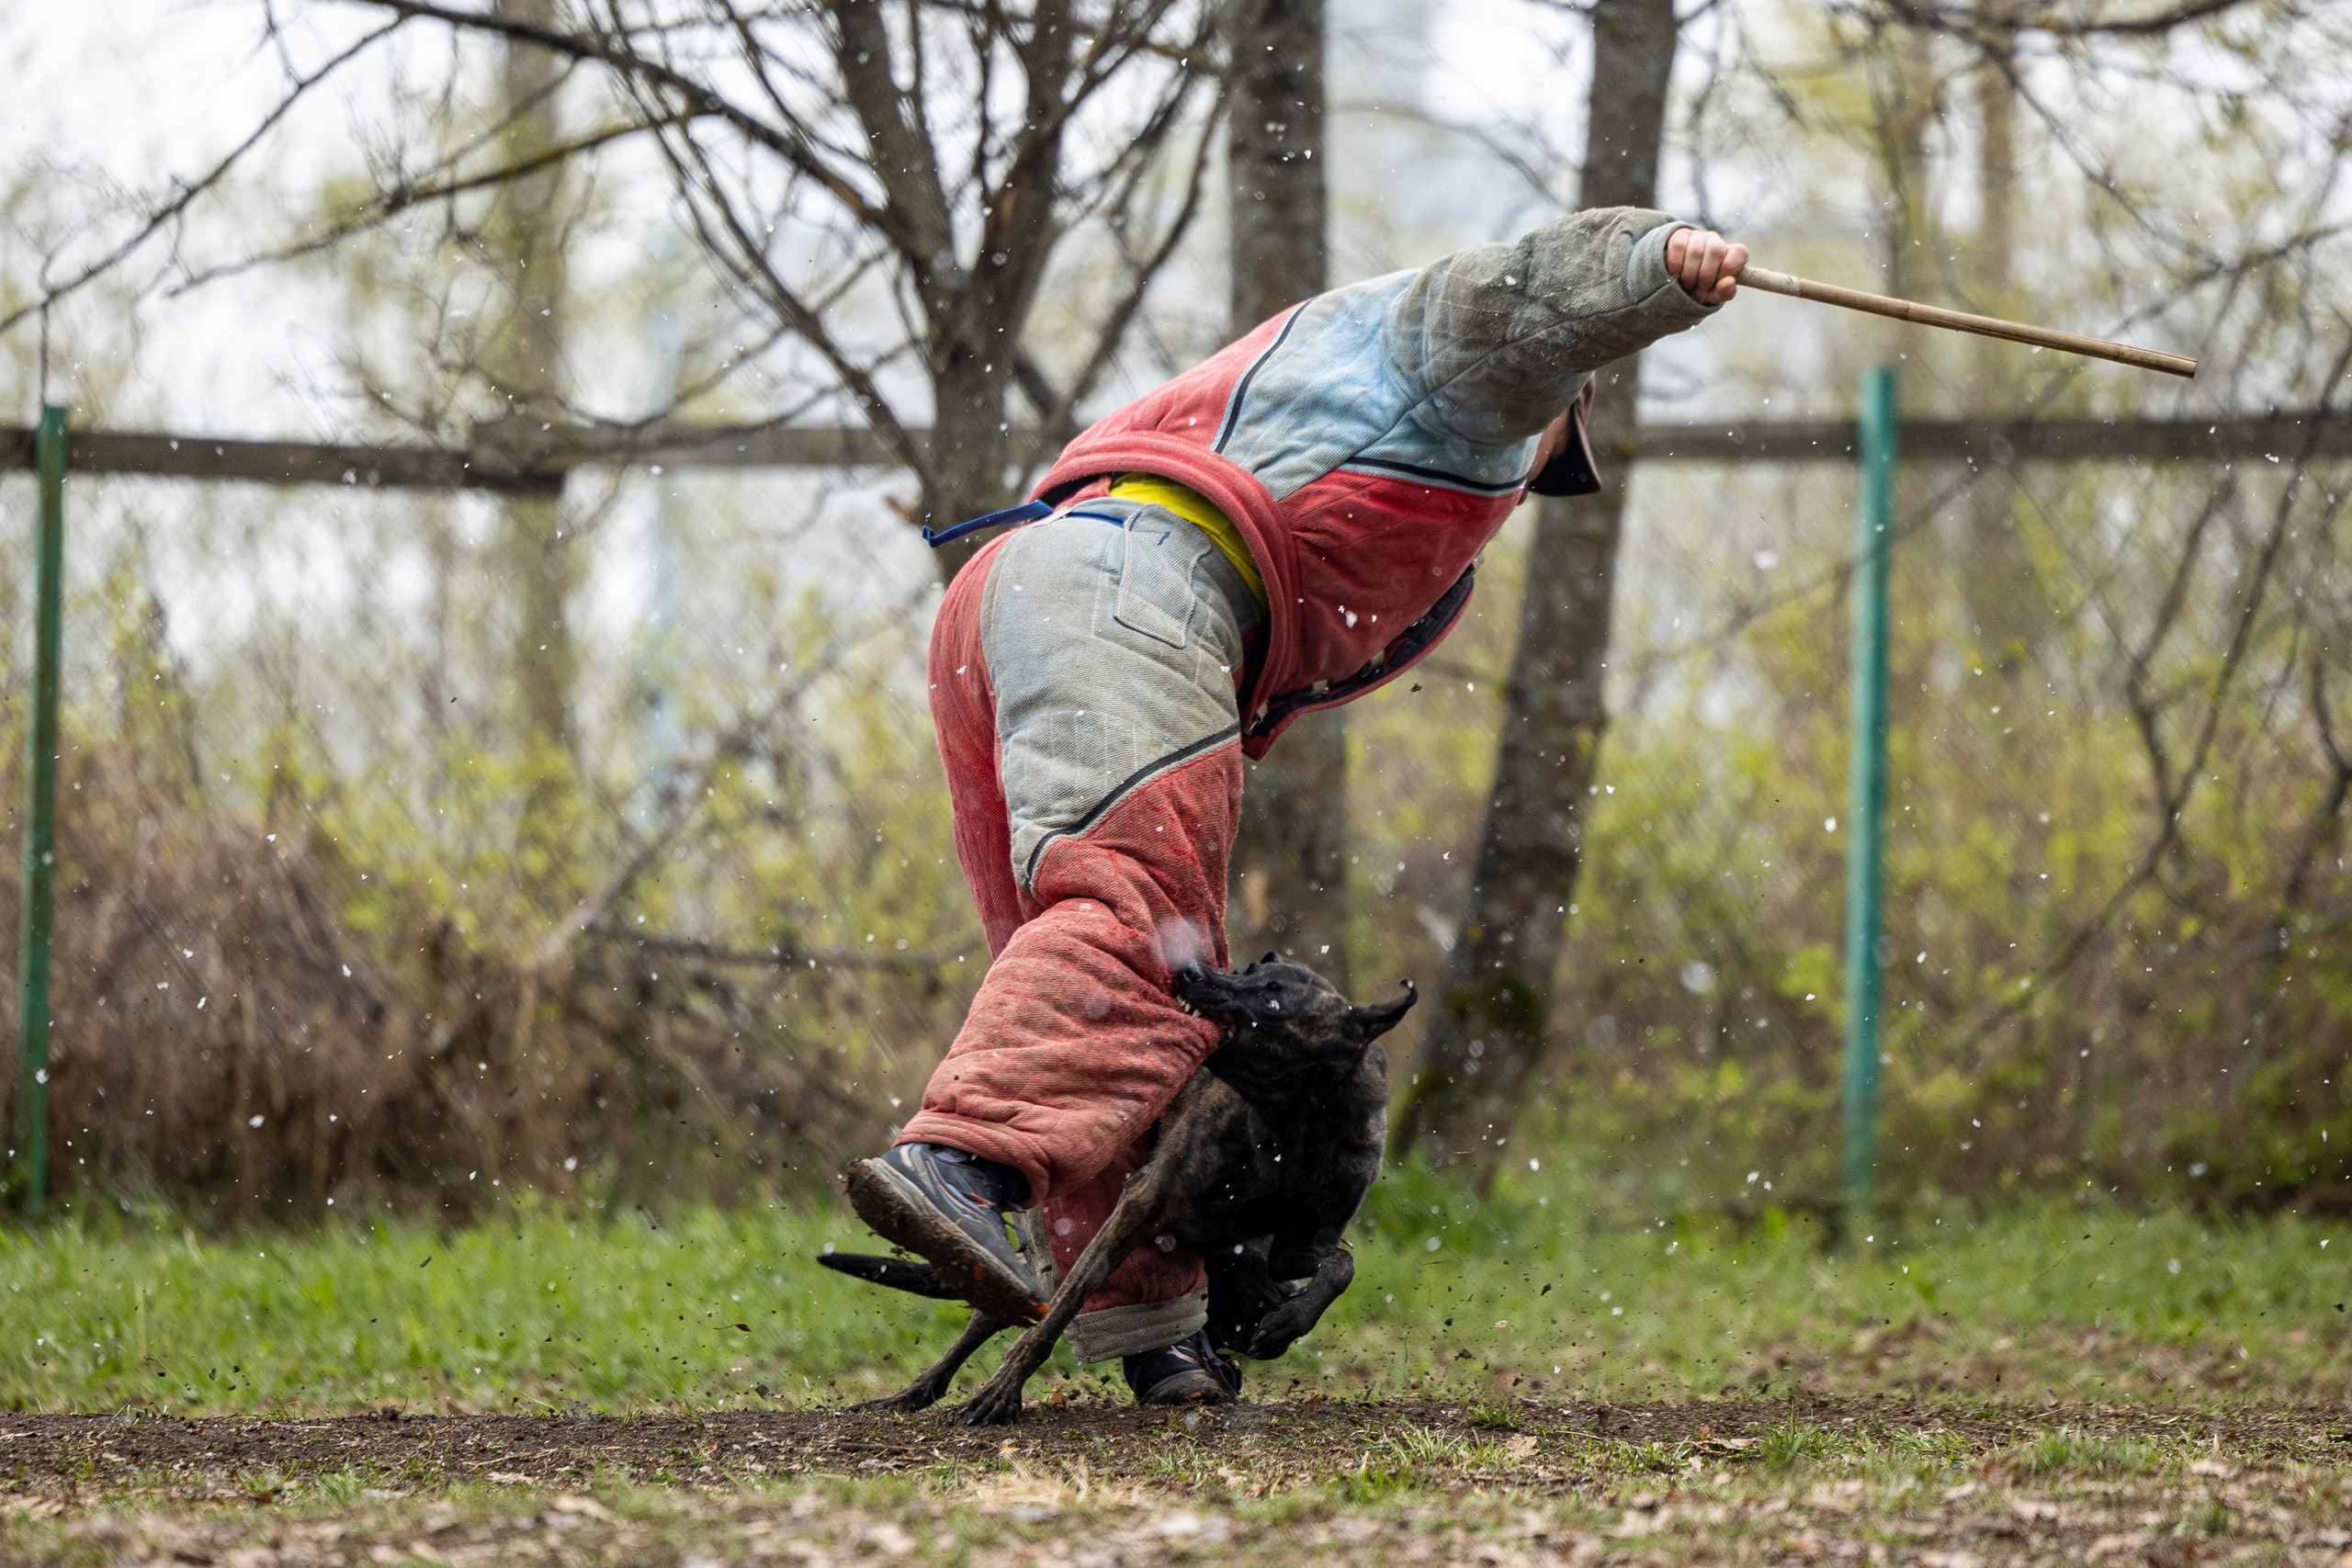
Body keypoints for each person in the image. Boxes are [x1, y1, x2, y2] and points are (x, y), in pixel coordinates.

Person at [845, 211, 1747, 1404]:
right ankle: (964, 1165)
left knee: (1089, 970)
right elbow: (1524, 288)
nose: (1541, 478)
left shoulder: (1349, 390)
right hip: (1133, 585)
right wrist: (1659, 267)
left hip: (1020, 591)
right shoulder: (1468, 367)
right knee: (1145, 941)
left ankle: (1154, 1331)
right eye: (1558, 454)